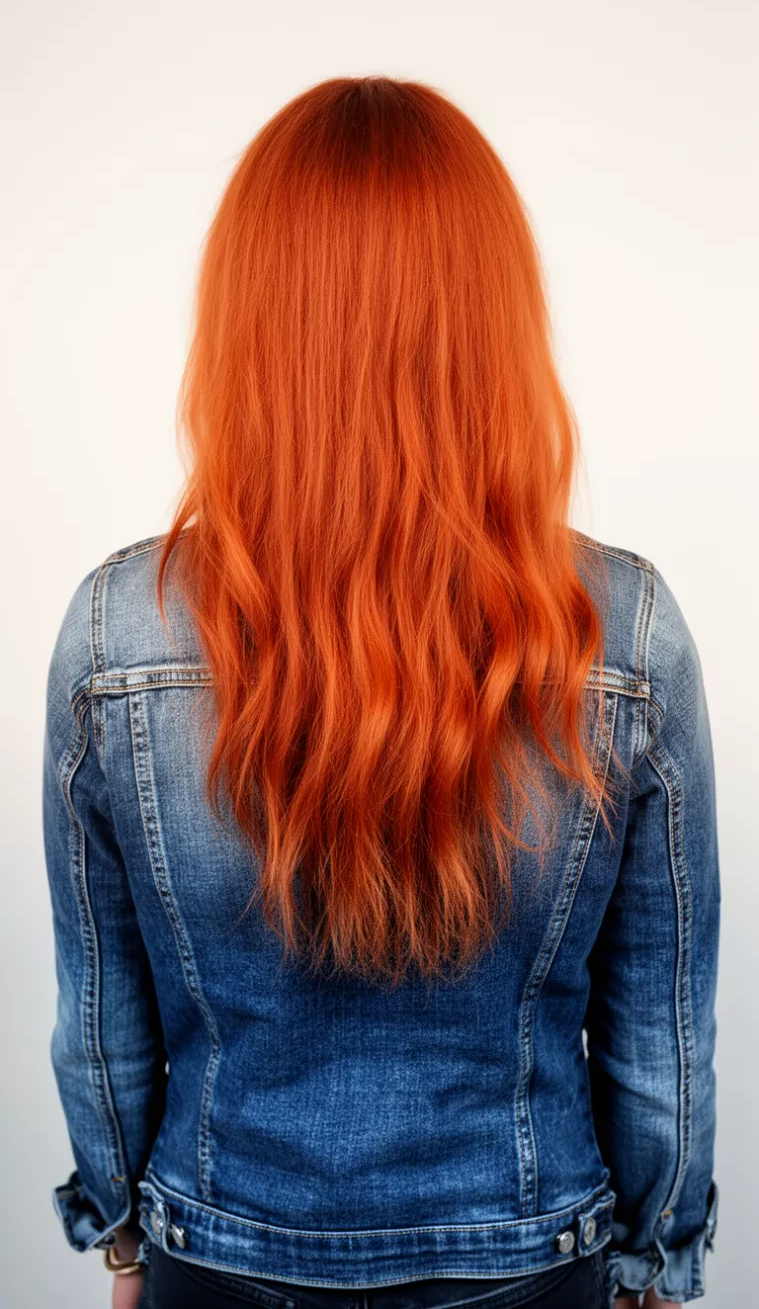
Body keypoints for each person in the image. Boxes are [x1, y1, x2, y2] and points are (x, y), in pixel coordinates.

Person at [42, 77, 719, 1309]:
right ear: (494, 323)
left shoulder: (112, 632)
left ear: (249, 322)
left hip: (220, 1257)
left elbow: (101, 1027)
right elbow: (659, 1044)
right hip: (525, 1263)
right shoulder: (621, 630)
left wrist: (125, 1238)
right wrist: (657, 1267)